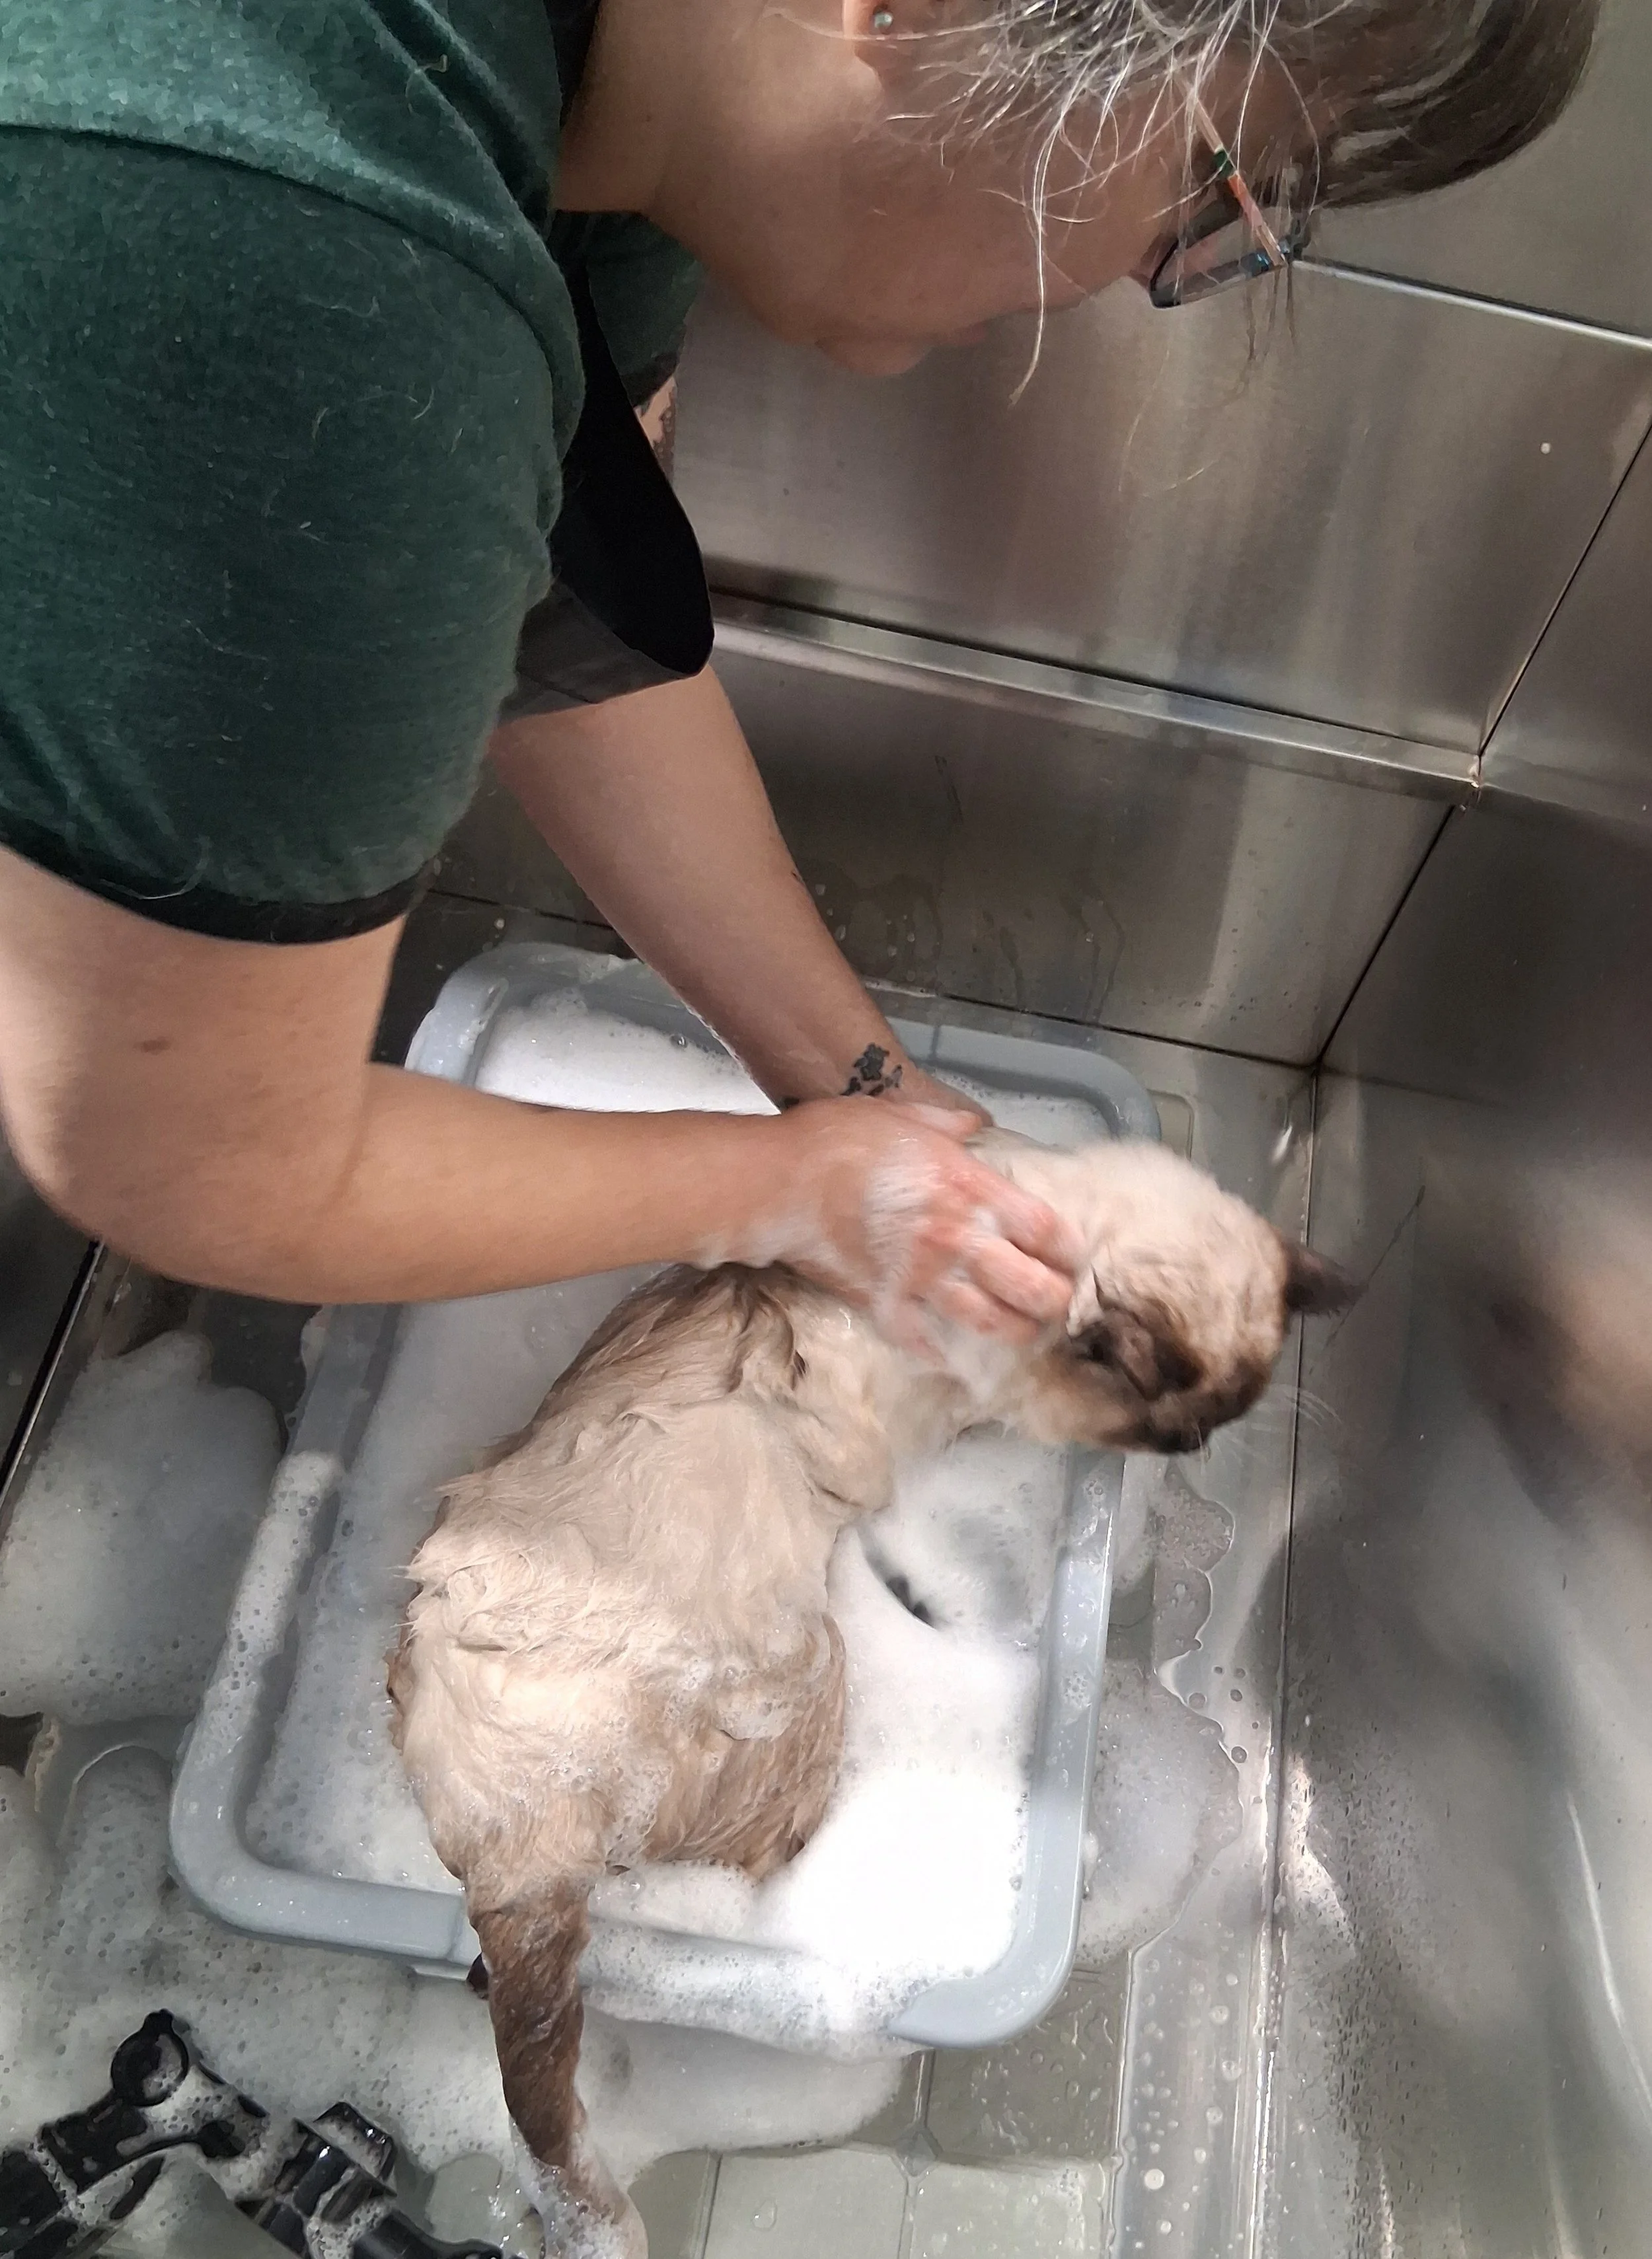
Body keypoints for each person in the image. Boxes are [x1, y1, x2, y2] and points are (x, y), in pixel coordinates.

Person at [0, 0, 1596, 1350]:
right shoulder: (322, 273)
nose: (1147, 269)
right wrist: (787, 1193)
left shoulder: (610, 125)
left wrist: (880, 1114)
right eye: (1207, 174)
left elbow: (561, 621)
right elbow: (193, 1160)